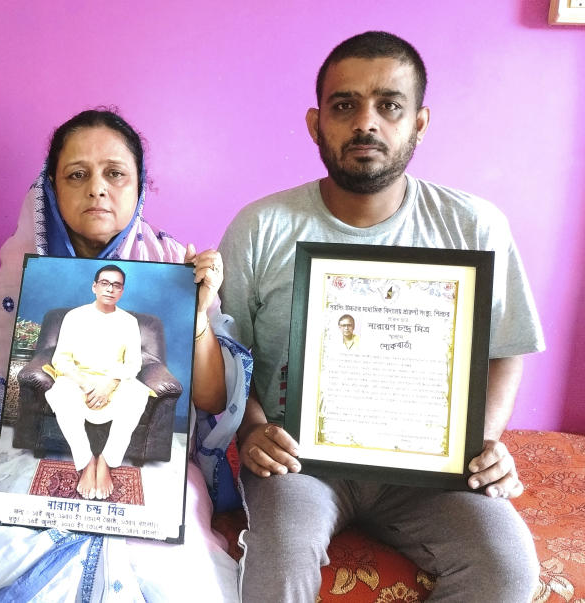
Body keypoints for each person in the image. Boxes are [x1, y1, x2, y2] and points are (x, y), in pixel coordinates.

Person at [219, 31, 545, 602]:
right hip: (301, 463)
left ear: (419, 123)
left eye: (389, 105)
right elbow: (228, 352)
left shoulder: (474, 226)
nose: (365, 123)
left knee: (507, 569)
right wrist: (251, 431)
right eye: (345, 106)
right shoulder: (260, 227)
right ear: (316, 123)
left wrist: (485, 440)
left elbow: (505, 348)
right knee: (279, 567)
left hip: (434, 471)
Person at [0, 109, 250, 601]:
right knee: (0, 540)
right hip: (53, 425)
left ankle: (104, 463)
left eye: (115, 173)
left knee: (137, 407)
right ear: (52, 188)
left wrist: (195, 316)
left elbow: (210, 395)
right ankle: (81, 462)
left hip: (146, 446)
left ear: (139, 187)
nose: (97, 188)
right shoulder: (29, 275)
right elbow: (8, 374)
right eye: (78, 175)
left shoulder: (175, 265)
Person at [45, 264, 152, 500]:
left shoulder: (128, 322)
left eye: (116, 285)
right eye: (105, 283)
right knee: (60, 392)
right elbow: (60, 359)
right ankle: (86, 463)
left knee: (137, 394)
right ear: (94, 286)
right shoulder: (74, 317)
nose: (110, 289)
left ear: (122, 291)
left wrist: (109, 384)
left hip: (113, 384)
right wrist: (85, 384)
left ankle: (105, 461)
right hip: (79, 383)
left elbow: (133, 364)